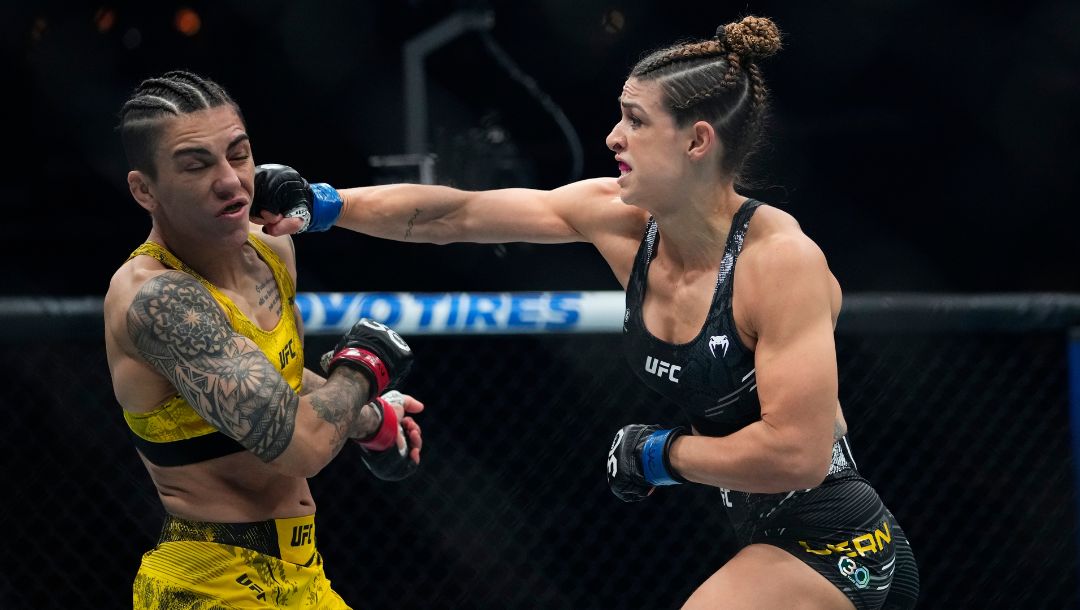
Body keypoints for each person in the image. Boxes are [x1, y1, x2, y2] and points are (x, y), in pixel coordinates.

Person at [255, 15, 920, 609]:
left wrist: (665, 454)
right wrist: (325, 205)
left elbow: (799, 455)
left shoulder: (780, 261)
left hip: (840, 546)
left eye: (636, 120)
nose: (612, 137)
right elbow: (456, 214)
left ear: (696, 142)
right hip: (762, 536)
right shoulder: (619, 219)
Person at [103, 70, 425, 609]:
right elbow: (298, 445)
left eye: (239, 154)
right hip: (207, 583)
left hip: (301, 573)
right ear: (145, 190)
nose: (231, 181)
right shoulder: (158, 300)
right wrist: (364, 368)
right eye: (197, 164)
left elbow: (275, 385)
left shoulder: (269, 252)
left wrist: (372, 419)